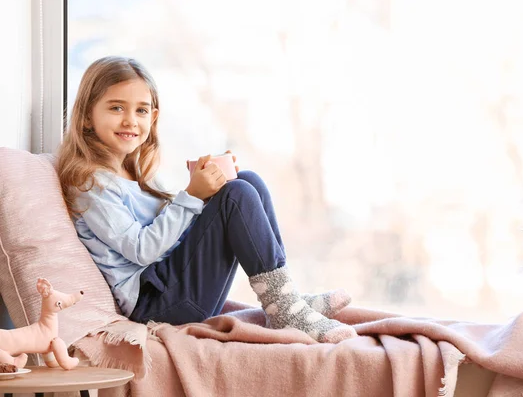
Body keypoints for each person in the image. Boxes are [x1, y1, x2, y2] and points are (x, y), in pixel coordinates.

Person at [57, 56, 357, 343]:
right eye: (116, 108)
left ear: (153, 117)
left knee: (245, 181)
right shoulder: (91, 184)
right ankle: (284, 308)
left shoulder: (133, 174)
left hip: (171, 287)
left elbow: (170, 235)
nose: (130, 121)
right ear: (86, 116)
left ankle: (284, 299)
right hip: (157, 307)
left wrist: (206, 195)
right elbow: (143, 249)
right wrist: (192, 197)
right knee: (236, 195)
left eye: (141, 110)